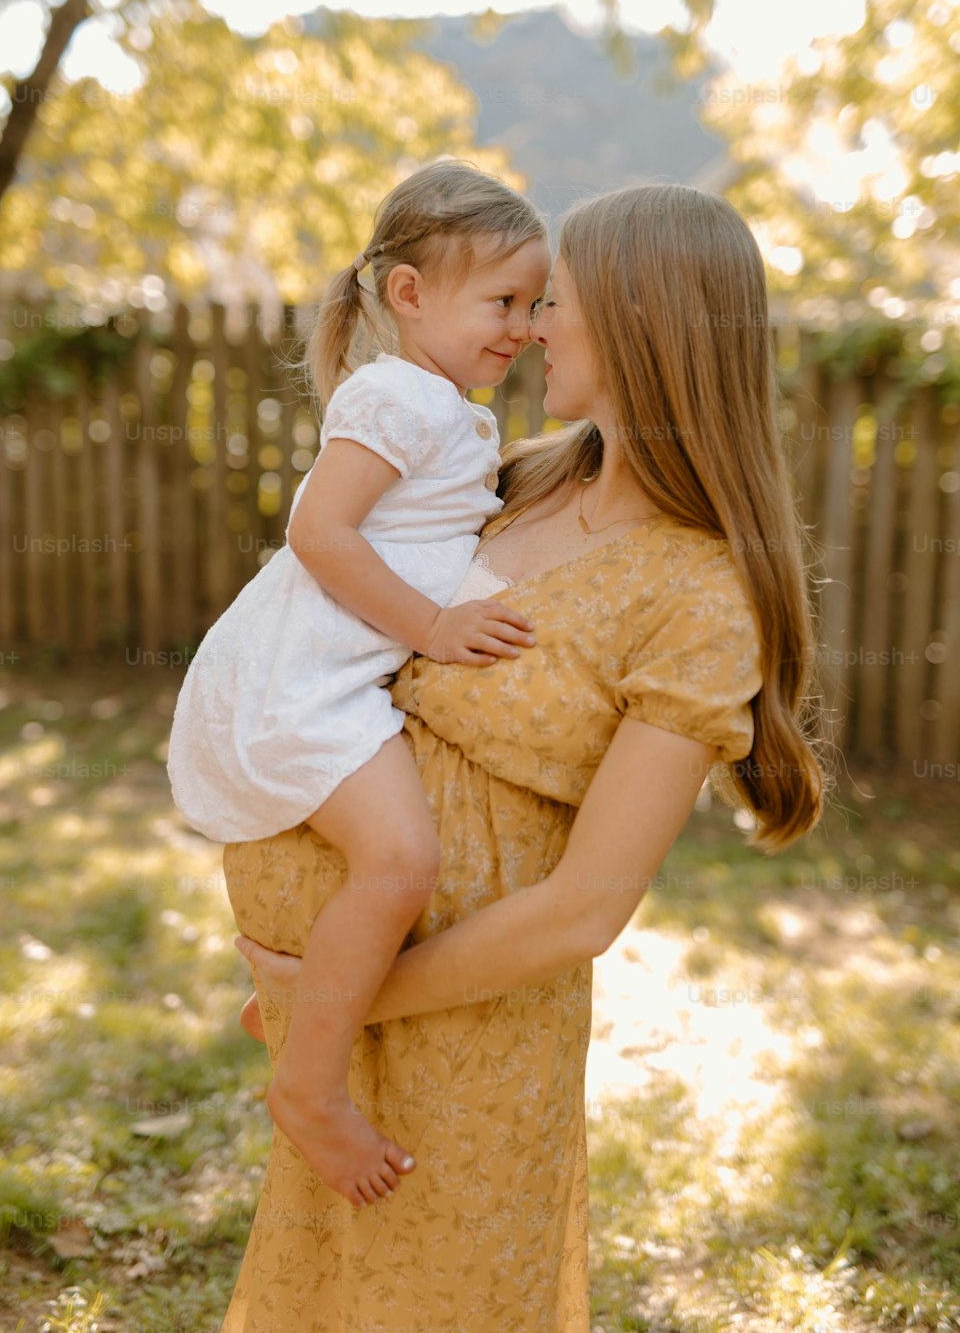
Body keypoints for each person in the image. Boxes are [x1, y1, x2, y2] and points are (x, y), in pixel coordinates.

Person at [220, 182, 828, 1332]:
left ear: (647, 329)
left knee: (435, 1301)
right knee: (326, 1293)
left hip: (474, 1036)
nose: (532, 326)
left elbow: (583, 910)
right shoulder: (517, 481)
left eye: (560, 304)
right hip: (348, 1018)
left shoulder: (701, 593)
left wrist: (341, 1001)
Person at [167, 160, 551, 1206]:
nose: (523, 326)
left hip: (337, 671)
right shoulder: (394, 395)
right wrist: (433, 625)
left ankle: (307, 1008)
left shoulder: (440, 405)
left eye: (535, 303)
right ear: (410, 294)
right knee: (399, 860)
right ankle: (308, 1087)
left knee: (396, 864)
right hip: (305, 679)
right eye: (502, 301)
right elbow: (318, 532)